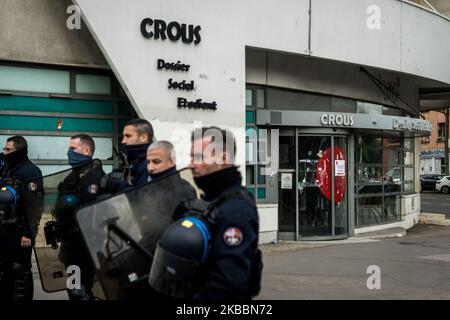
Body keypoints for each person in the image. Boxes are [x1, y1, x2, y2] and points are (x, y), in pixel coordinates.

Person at [55, 134, 103, 300]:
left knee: (78, 290)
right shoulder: (74, 176)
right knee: (74, 287)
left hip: (83, 246)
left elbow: (91, 212)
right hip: (71, 244)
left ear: (87, 150)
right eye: (69, 148)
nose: (69, 152)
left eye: (73, 148)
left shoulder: (93, 177)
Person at [0, 136, 44, 300]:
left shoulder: (30, 171)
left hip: (20, 233)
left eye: (8, 149)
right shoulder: (7, 169)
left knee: (20, 272)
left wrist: (28, 232)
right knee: (4, 271)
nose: (5, 152)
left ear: (19, 150)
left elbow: (35, 206)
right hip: (4, 230)